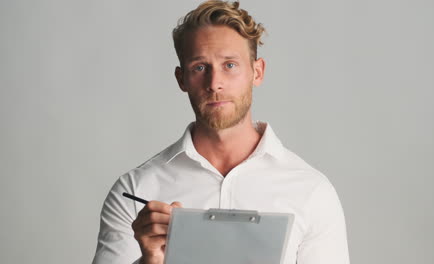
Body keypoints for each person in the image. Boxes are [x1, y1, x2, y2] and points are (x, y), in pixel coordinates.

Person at [92, 1, 350, 264]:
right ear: (182, 79)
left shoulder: (311, 191)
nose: (215, 83)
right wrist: (150, 261)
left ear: (257, 72)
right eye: (200, 67)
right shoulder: (136, 188)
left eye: (229, 65)